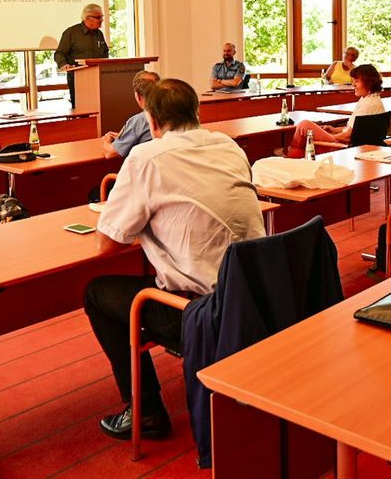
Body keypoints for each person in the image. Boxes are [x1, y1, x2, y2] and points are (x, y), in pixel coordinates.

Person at [84, 78, 266, 441]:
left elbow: (107, 244)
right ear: (197, 113)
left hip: (204, 310)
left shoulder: (146, 157)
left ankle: (146, 411)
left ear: (150, 121)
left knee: (96, 292)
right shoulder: (227, 145)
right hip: (257, 295)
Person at [282, 64, 384, 158]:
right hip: (353, 143)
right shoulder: (372, 100)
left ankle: (289, 154)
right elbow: (355, 129)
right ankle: (291, 154)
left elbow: (348, 135)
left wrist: (330, 136)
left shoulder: (367, 104)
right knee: (307, 135)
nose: (353, 84)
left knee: (304, 125)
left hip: (345, 146)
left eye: (356, 81)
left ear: (369, 83)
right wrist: (333, 129)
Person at [54, 3, 109, 108]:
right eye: (98, 17)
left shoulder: (99, 34)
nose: (102, 20)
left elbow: (105, 53)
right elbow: (59, 53)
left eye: (102, 17)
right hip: (78, 79)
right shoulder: (71, 33)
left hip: (98, 78)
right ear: (88, 18)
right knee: (81, 110)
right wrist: (63, 64)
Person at [101, 70, 160, 159]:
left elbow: (110, 153)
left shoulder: (139, 121)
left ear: (137, 96)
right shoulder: (176, 114)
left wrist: (105, 141)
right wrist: (127, 136)